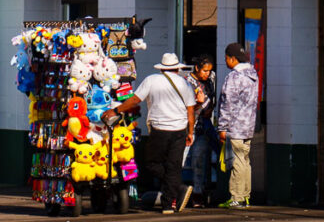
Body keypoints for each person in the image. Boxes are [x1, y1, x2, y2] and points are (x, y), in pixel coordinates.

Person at [103, 52, 196, 214]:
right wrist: (191, 132)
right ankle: (168, 204)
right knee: (173, 167)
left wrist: (116, 110)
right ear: (177, 68)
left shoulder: (151, 80)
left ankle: (175, 188)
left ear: (162, 68)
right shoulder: (184, 83)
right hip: (180, 130)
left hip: (159, 130)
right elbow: (190, 111)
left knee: (151, 164)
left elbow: (134, 100)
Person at [217, 42, 260, 209]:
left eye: (227, 58)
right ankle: (245, 196)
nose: (226, 61)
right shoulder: (253, 75)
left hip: (235, 127)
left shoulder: (234, 77)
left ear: (233, 59)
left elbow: (227, 103)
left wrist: (222, 127)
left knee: (237, 162)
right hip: (248, 126)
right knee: (245, 161)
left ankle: (236, 197)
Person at [182, 54, 216, 207]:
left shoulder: (210, 81)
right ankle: (177, 192)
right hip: (188, 127)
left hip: (204, 127)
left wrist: (210, 108)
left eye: (209, 71)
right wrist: (198, 105)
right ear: (197, 68)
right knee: (182, 160)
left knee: (198, 160)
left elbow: (212, 99)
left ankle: (198, 192)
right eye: (204, 71)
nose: (207, 74)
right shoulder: (187, 82)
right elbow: (184, 108)